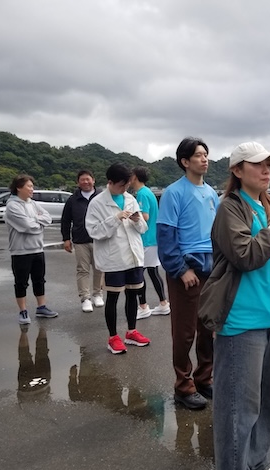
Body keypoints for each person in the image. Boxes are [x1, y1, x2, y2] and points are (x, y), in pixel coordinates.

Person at [206, 140, 270, 470]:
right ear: (237, 170)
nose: (266, 170)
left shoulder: (269, 204)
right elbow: (245, 255)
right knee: (237, 410)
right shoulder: (230, 208)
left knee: (265, 403)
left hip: (268, 317)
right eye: (257, 164)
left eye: (269, 164)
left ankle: (257, 463)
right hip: (240, 319)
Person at [157, 137, 219, 410]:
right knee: (184, 333)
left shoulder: (212, 193)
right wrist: (181, 270)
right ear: (185, 161)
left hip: (210, 268)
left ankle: (204, 378)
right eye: (198, 155)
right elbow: (166, 236)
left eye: (206, 154)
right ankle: (183, 386)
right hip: (186, 269)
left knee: (208, 328)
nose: (204, 159)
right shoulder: (174, 192)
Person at [85, 163, 151, 354]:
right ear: (110, 182)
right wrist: (115, 218)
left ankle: (131, 332)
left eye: (127, 185)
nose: (124, 189)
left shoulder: (130, 198)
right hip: (113, 258)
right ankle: (113, 337)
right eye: (121, 185)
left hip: (133, 255)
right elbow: (94, 231)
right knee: (113, 297)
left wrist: (137, 221)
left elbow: (142, 229)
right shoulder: (97, 203)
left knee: (133, 294)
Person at [4, 174, 58, 325]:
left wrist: (35, 221)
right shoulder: (12, 206)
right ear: (18, 187)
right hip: (21, 251)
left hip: (38, 249)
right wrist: (39, 223)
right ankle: (23, 311)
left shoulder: (33, 203)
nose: (32, 189)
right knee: (21, 282)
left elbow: (48, 218)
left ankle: (41, 307)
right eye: (29, 186)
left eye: (32, 186)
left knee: (39, 280)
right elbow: (27, 227)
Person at [130, 167, 170, 319]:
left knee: (139, 273)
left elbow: (145, 216)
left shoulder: (142, 193)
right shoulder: (148, 192)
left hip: (146, 239)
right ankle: (163, 303)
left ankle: (143, 306)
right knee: (153, 272)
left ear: (135, 177)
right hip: (153, 238)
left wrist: (130, 217)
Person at [60, 170, 104, 313]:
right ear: (78, 182)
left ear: (93, 180)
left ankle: (97, 294)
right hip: (80, 240)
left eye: (88, 179)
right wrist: (66, 239)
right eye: (82, 180)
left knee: (99, 268)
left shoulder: (102, 197)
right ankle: (85, 298)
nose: (85, 182)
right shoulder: (73, 199)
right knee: (82, 270)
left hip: (99, 239)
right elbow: (66, 220)